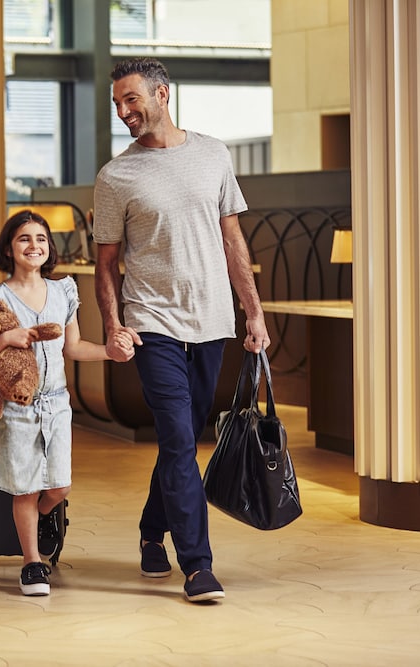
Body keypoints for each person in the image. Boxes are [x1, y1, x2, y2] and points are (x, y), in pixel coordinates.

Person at [93, 57, 270, 604]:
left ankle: (152, 528)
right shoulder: (115, 176)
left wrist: (254, 312)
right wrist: (115, 326)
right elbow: (106, 265)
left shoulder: (214, 155)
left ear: (162, 94)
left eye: (131, 100)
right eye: (117, 104)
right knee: (176, 437)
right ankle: (197, 566)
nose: (124, 112)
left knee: (182, 441)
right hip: (153, 325)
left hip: (212, 320)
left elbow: (232, 240)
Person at [0, 210, 111, 596]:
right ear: (10, 249)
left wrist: (110, 352)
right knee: (26, 490)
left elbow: (75, 347)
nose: (34, 245)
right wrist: (5, 340)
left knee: (59, 487)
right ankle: (32, 563)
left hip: (56, 405)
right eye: (24, 239)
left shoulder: (64, 291)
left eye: (41, 239)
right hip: (16, 409)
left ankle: (42, 519)